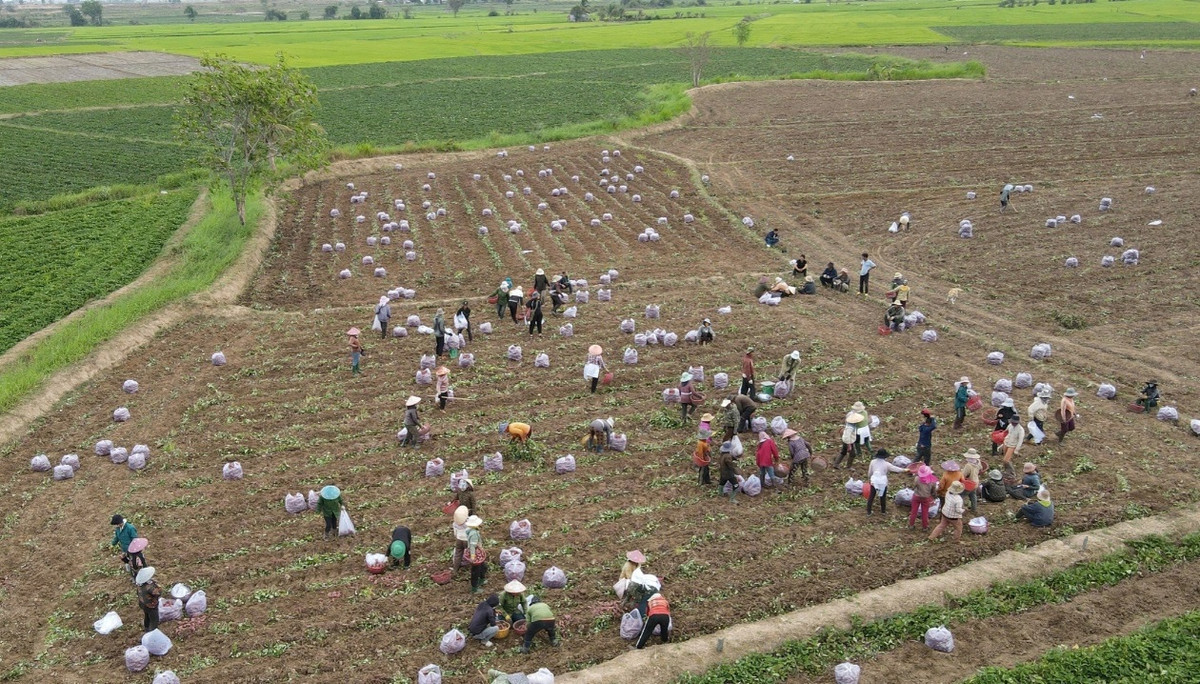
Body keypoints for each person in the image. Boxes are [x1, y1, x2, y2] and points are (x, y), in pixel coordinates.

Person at [865, 449, 907, 515]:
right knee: (882, 497)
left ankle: (868, 512)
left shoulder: (872, 462)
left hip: (874, 481)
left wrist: (869, 478)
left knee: (871, 496)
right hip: (882, 482)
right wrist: (904, 470)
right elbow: (895, 469)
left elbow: (870, 472)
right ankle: (883, 511)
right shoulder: (886, 464)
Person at [111, 514, 145, 579]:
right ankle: (134, 576)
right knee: (129, 562)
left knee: (136, 564)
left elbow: (134, 539)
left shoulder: (130, 528)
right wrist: (112, 544)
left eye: (117, 524)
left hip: (133, 550)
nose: (117, 526)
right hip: (125, 550)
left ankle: (141, 576)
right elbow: (117, 537)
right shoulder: (118, 529)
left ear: (120, 522)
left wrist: (135, 549)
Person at [835, 406, 868, 470]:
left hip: (846, 438)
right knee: (853, 454)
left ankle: (836, 464)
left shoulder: (850, 419)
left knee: (843, 452)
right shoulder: (851, 427)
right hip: (848, 440)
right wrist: (849, 445)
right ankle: (848, 467)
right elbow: (847, 437)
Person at [909, 464, 938, 531]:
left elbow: (914, 486)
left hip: (916, 497)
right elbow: (933, 491)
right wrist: (934, 496)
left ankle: (911, 525)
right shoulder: (932, 481)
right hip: (926, 498)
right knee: (925, 513)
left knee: (914, 511)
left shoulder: (917, 479)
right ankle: (925, 527)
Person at [464, 515, 488, 593]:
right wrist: (473, 556)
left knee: (483, 567)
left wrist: (480, 546)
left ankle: (482, 579)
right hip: (474, 553)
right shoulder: (474, 533)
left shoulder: (472, 530)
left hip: (477, 551)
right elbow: (472, 546)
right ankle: (474, 588)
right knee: (475, 571)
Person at [135, 567, 161, 633]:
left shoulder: (139, 585)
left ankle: (146, 629)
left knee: (147, 616)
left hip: (143, 604)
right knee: (154, 620)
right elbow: (158, 593)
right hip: (151, 606)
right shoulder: (149, 587)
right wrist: (157, 584)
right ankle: (152, 633)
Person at [961, 448, 982, 514]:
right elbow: (981, 469)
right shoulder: (978, 461)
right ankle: (974, 509)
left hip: (969, 484)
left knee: (961, 496)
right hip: (976, 482)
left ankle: (961, 509)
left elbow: (963, 475)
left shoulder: (968, 466)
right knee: (973, 495)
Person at [451, 505, 469, 574]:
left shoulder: (455, 524)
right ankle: (472, 566)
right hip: (467, 540)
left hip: (459, 540)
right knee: (471, 552)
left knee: (458, 554)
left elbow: (455, 534)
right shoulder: (468, 522)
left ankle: (455, 569)